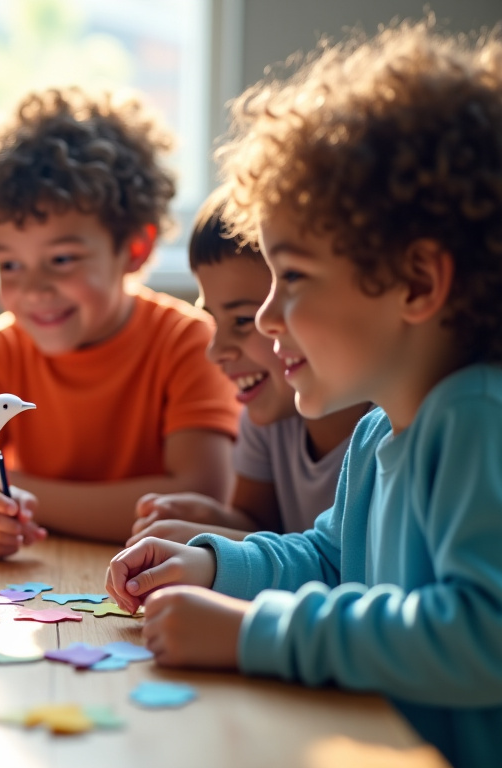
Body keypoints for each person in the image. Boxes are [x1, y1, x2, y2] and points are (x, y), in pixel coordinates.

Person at [105, 21, 502, 767]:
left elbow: (482, 632)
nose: (265, 317)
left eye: (292, 278)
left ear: (417, 282)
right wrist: (214, 565)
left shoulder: (475, 419)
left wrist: (252, 633)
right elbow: (330, 561)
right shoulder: (378, 431)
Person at [0, 86, 240, 556]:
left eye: (61, 259)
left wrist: (15, 493)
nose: (33, 289)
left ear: (134, 248)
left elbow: (198, 498)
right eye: (10, 264)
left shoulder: (189, 342)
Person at [128, 189, 367, 546]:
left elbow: (343, 566)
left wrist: (218, 546)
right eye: (214, 320)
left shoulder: (385, 427)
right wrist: (210, 520)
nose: (215, 351)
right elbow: (257, 525)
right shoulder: (268, 416)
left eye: (242, 320)